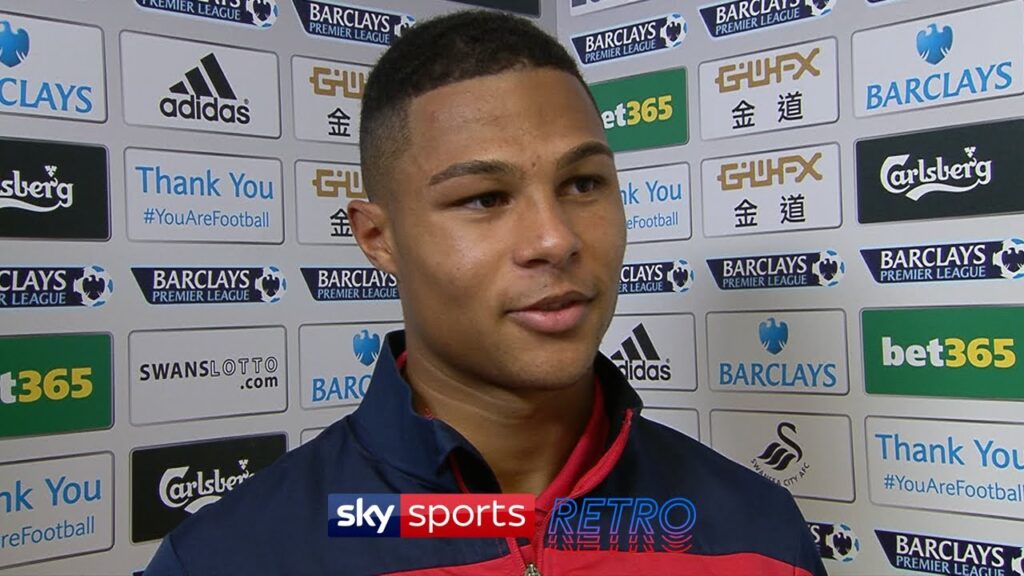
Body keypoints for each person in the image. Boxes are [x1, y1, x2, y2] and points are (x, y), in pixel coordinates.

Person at [144, 10, 828, 576]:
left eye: (583, 184)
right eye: (484, 198)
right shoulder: (228, 558)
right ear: (378, 237)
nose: (554, 239)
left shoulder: (761, 536)